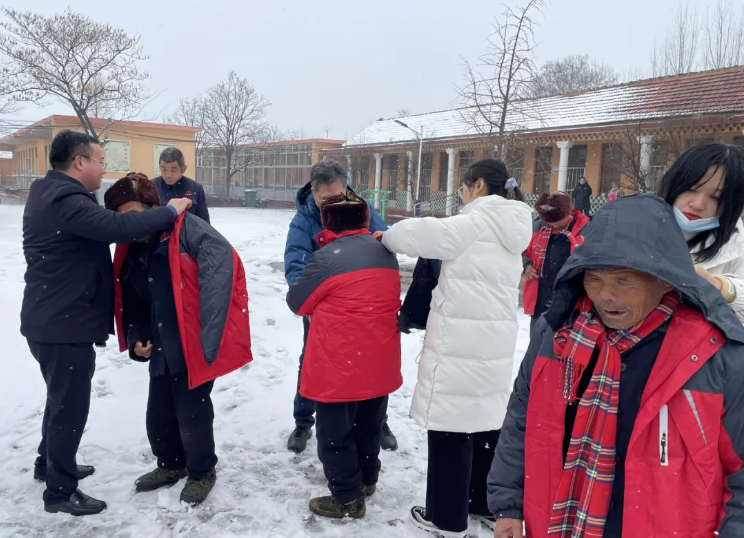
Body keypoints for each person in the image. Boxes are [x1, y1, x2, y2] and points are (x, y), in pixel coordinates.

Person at [488, 194, 744, 538]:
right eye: (594, 278)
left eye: (624, 280)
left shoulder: (715, 354)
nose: (606, 295)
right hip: (557, 520)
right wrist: (508, 504)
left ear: (667, 279)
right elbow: (522, 419)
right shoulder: (559, 335)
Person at [21, 130, 192, 516]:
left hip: (54, 320)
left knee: (59, 399)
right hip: (63, 324)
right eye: (100, 161)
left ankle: (48, 463)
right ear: (79, 161)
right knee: (69, 407)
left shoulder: (52, 193)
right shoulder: (64, 199)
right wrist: (171, 209)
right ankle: (60, 491)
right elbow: (119, 228)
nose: (103, 169)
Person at [375, 158, 533, 537]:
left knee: (451, 426)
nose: (462, 194)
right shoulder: (514, 228)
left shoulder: (473, 223)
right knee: (485, 424)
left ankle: (446, 518)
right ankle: (483, 504)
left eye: (463, 187)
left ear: (477, 185)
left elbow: (414, 234)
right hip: (494, 344)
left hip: (459, 343)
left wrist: (386, 236)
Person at [105, 173, 252, 506]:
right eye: (123, 218)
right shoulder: (132, 249)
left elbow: (219, 275)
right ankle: (171, 464)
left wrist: (208, 336)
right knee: (158, 413)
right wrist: (137, 336)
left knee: (192, 413)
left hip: (191, 340)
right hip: (162, 343)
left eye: (135, 213)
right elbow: (134, 299)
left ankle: (202, 471)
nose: (132, 223)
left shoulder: (187, 231)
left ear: (153, 208)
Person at [286, 192, 402, 519]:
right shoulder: (385, 253)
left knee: (334, 434)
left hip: (339, 362)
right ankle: (367, 480)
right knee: (368, 425)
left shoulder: (326, 258)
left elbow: (298, 303)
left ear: (328, 222)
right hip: (379, 358)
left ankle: (347, 498)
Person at [283, 160, 397, 454]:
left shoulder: (362, 210)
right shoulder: (303, 221)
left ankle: (379, 421)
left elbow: (386, 244)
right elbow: (296, 264)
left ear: (346, 189)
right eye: (324, 199)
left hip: (363, 304)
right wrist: (310, 300)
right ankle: (303, 421)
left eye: (337, 196)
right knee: (311, 361)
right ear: (313, 192)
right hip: (322, 306)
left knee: (371, 362)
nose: (331, 204)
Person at [657, 142, 744, 323]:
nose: (697, 204)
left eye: (715, 197)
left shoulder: (738, 247)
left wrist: (721, 287)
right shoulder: (633, 226)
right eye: (691, 189)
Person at [522, 192, 590, 333]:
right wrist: (526, 265)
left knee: (563, 343)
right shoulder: (538, 227)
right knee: (537, 341)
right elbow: (519, 250)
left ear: (568, 214)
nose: (552, 225)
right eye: (549, 222)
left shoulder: (587, 229)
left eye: (557, 221)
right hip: (540, 298)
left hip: (571, 303)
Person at [153, 147, 210, 223]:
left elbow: (204, 224)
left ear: (183, 169)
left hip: (187, 230)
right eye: (164, 169)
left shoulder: (196, 188)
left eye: (173, 170)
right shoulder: (151, 187)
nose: (168, 175)